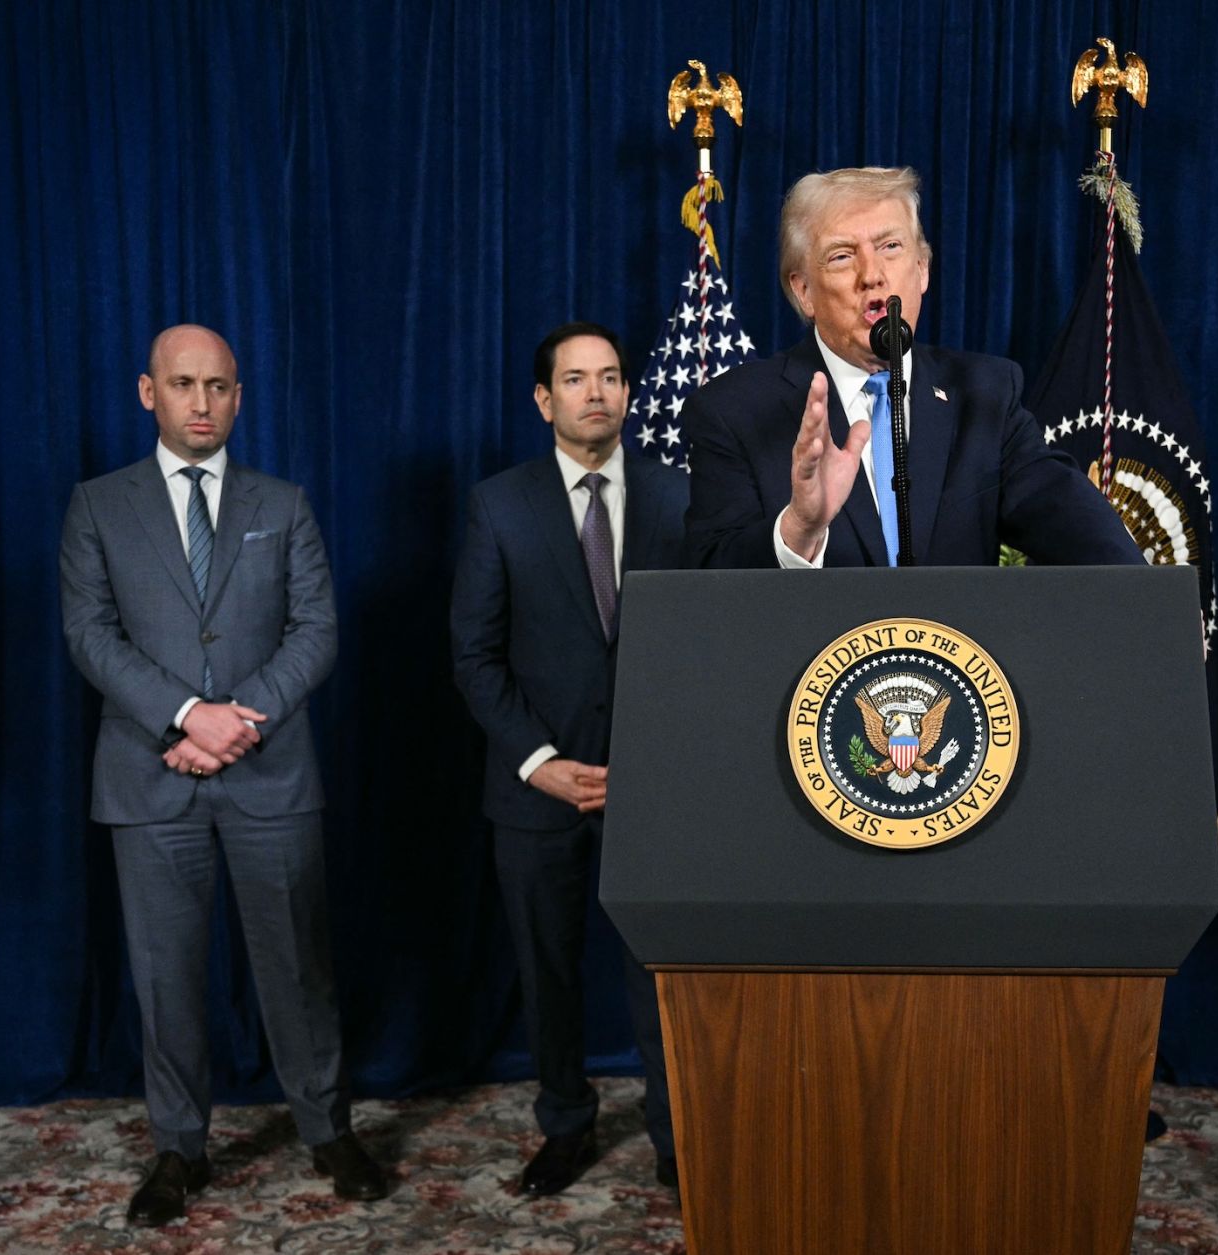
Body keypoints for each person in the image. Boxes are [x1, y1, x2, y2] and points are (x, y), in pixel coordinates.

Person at [59, 325, 387, 1227]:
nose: (201, 402)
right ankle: (179, 1148)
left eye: (218, 386)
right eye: (183, 384)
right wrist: (182, 715)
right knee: (165, 975)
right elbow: (90, 634)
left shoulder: (282, 503)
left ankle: (327, 1128)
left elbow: (315, 630)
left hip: (268, 773)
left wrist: (233, 722)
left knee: (298, 965)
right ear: (147, 392)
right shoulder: (98, 504)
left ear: (239, 396)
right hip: (147, 776)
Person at [450, 322, 686, 1196]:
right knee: (547, 971)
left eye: (613, 377)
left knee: (659, 974)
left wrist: (658, 760)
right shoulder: (499, 504)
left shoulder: (679, 496)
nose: (598, 393)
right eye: (577, 379)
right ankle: (565, 1124)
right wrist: (540, 759)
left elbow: (708, 646)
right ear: (544, 400)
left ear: (629, 392)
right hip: (538, 789)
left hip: (652, 788)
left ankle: (675, 1133)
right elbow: (474, 654)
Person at [683, 165, 1140, 569]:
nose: (872, 275)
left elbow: (1070, 521)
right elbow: (707, 588)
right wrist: (799, 528)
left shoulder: (985, 395)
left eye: (891, 246)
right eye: (842, 256)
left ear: (922, 269)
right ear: (803, 291)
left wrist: (1157, 606)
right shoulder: (735, 411)